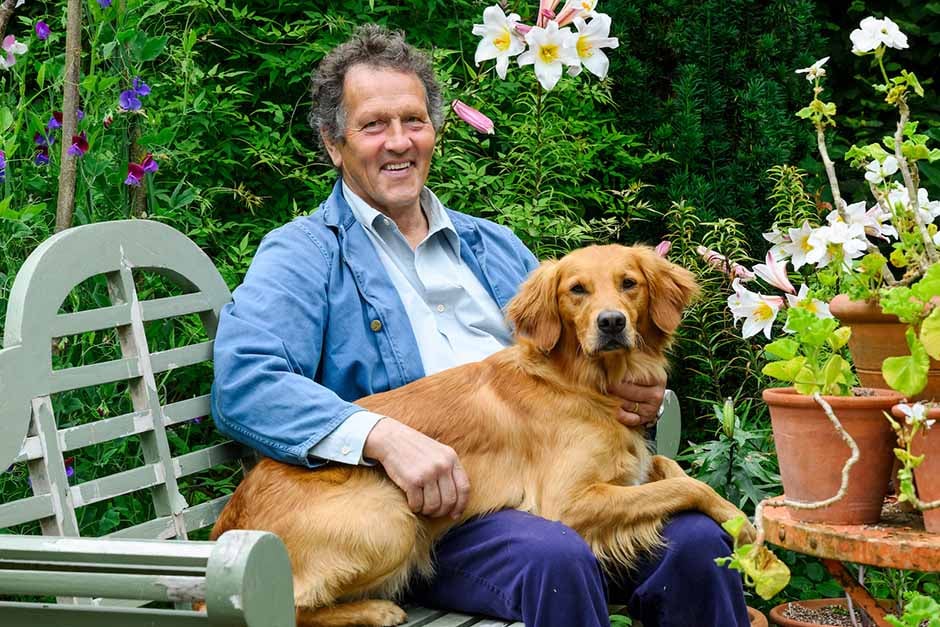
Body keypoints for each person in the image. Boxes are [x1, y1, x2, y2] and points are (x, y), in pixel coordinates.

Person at [211, 24, 750, 627]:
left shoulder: (492, 244)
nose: (398, 142)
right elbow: (245, 385)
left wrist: (632, 396)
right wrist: (384, 438)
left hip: (538, 485)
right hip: (420, 511)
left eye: (413, 121)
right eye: (373, 125)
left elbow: (568, 355)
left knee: (699, 545)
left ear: (435, 132)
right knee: (554, 556)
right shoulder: (303, 253)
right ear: (334, 144)